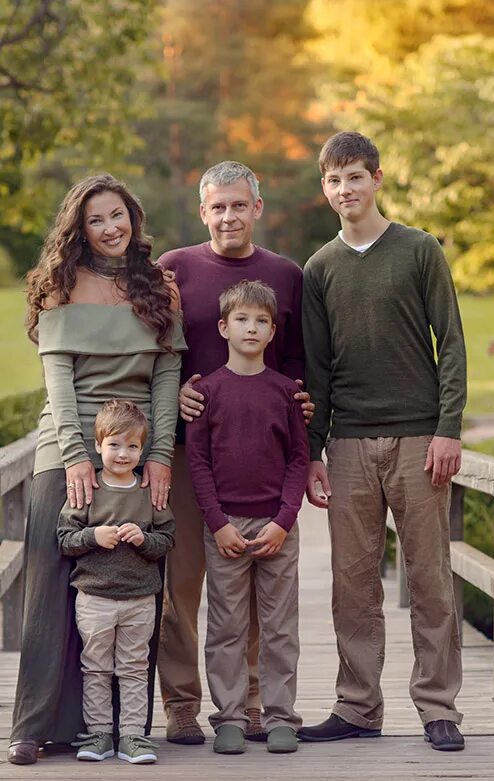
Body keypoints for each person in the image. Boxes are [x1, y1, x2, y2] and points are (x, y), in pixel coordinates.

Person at [298, 131, 468, 752]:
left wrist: (449, 429)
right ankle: (358, 705)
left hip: (418, 439)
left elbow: (449, 344)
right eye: (335, 181)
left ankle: (438, 707)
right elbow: (316, 371)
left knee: (429, 578)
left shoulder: (420, 250)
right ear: (325, 189)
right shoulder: (320, 268)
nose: (346, 190)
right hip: (347, 447)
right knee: (353, 582)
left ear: (376, 179)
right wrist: (313, 450)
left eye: (356, 177)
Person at [8, 174, 185, 766]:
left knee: (133, 575)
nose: (110, 228)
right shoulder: (61, 285)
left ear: (132, 217)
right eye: (95, 221)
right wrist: (76, 453)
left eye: (118, 216)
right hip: (67, 444)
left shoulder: (159, 286)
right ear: (78, 231)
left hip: (135, 449)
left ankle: (118, 728)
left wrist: (159, 456)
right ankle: (33, 727)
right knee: (49, 586)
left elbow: (165, 377)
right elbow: (57, 378)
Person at [156, 161, 309, 746]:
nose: (228, 216)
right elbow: (156, 352)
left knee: (251, 591)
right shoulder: (175, 268)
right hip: (189, 450)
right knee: (187, 584)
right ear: (203, 212)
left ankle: (250, 707)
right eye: (218, 206)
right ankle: (181, 704)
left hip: (260, 459)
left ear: (257, 208)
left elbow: (295, 361)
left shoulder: (285, 274)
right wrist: (178, 396)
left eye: (239, 205)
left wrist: (302, 407)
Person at [186, 280, 308, 756]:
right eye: (242, 319)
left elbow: (299, 459)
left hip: (278, 526)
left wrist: (284, 519)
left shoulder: (285, 393)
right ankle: (230, 718)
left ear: (273, 331)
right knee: (227, 627)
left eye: (261, 321)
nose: (252, 328)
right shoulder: (206, 392)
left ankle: (280, 718)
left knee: (280, 628)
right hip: (226, 528)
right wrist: (217, 523)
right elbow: (197, 463)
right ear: (223, 327)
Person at [59, 400, 175, 765]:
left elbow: (167, 539)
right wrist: (93, 536)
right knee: (95, 667)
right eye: (114, 445)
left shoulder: (149, 493)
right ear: (98, 445)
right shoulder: (87, 490)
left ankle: (133, 736)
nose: (123, 454)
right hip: (94, 597)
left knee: (134, 667)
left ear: (142, 449)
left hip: (140, 598)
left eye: (132, 446)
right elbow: (65, 538)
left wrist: (144, 540)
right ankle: (99, 734)